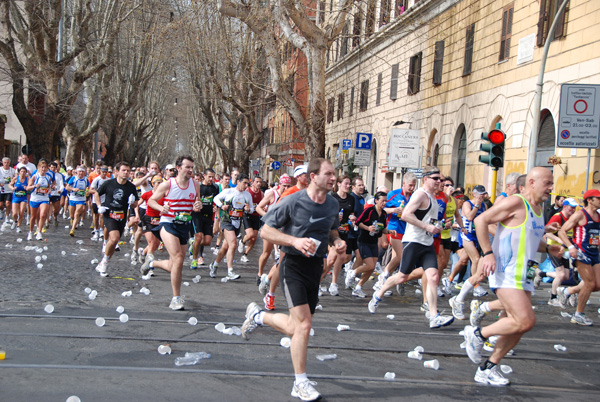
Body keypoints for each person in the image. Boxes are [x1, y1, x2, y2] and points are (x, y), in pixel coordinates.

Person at [241, 158, 344, 402]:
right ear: (313, 176)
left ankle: (258, 316)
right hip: (293, 266)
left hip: (315, 267)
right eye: (328, 174)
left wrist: (337, 242)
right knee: (304, 326)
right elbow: (266, 230)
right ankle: (300, 382)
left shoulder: (331, 204)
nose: (333, 178)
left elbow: (332, 230)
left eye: (335, 174)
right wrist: (294, 241)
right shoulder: (293, 201)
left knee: (298, 327)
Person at [463, 167, 559, 385]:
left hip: (525, 273)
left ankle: (488, 368)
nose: (551, 188)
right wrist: (487, 253)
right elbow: (481, 221)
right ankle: (478, 334)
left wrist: (549, 248)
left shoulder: (538, 208)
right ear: (532, 182)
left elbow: (529, 240)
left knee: (518, 325)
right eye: (548, 183)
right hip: (506, 271)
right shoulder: (516, 202)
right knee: (526, 320)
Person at [368, 166, 455, 329]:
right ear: (426, 179)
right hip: (413, 241)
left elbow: (430, 222)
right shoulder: (420, 195)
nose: (439, 182)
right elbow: (406, 214)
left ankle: (434, 315)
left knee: (433, 277)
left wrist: (442, 225)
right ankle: (378, 294)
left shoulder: (435, 198)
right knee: (402, 277)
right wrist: (427, 227)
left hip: (427, 243)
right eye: (436, 179)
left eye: (441, 180)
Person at [146, 156, 201, 310]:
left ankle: (152, 263)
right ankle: (176, 299)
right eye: (187, 167)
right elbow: (151, 201)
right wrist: (161, 208)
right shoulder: (167, 184)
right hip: (168, 223)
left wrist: (198, 205)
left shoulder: (195, 184)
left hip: (184, 225)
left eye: (192, 167)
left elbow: (197, 203)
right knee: (177, 258)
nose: (190, 170)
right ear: (178, 168)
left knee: (175, 264)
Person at [557, 189, 600, 325]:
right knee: (589, 283)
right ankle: (578, 315)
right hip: (582, 253)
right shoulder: (580, 215)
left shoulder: (598, 216)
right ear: (590, 200)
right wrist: (571, 247)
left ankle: (567, 291)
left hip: (594, 253)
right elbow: (562, 231)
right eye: (598, 198)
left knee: (597, 285)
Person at [344, 191, 395, 297]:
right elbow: (358, 221)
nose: (384, 203)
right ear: (376, 200)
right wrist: (368, 228)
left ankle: (358, 287)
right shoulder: (369, 211)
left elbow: (382, 228)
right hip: (363, 240)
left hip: (374, 241)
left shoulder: (384, 214)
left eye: (386, 201)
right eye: (382, 201)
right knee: (370, 265)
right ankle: (352, 272)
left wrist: (389, 231)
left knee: (371, 268)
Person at [93, 162, 140, 277]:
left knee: (114, 241)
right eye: (123, 170)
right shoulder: (109, 184)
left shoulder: (131, 187)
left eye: (128, 171)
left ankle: (104, 260)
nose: (126, 173)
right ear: (117, 171)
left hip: (122, 216)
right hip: (109, 214)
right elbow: (96, 194)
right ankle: (104, 262)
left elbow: (136, 204)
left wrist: (133, 202)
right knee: (114, 238)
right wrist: (99, 206)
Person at [373, 173, 417, 295]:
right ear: (404, 183)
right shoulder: (394, 194)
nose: (412, 188)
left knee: (396, 258)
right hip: (393, 228)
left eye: (414, 186)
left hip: (407, 230)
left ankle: (384, 283)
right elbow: (379, 209)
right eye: (410, 185)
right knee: (402, 255)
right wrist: (393, 210)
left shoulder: (414, 197)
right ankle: (385, 277)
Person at [210, 174, 254, 280]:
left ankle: (214, 265)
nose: (246, 185)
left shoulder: (247, 195)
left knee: (225, 247)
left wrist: (248, 209)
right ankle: (230, 271)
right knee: (233, 244)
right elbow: (215, 199)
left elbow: (252, 209)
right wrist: (221, 206)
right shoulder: (229, 191)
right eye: (244, 183)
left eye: (247, 184)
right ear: (238, 182)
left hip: (237, 222)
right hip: (226, 221)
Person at [539, 198, 578, 305]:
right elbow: (548, 233)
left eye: (575, 208)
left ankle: (541, 274)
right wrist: (560, 240)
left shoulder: (572, 218)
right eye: (571, 208)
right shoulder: (558, 217)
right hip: (554, 248)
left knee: (565, 276)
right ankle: (553, 298)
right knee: (561, 274)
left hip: (565, 250)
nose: (573, 210)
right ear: (565, 207)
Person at [255, 174, 292, 286]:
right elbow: (258, 207)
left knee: (283, 256)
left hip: (283, 229)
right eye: (284, 186)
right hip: (271, 228)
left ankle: (274, 277)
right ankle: (260, 274)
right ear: (279, 184)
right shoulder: (272, 194)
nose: (286, 188)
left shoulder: (291, 195)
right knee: (266, 253)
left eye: (288, 186)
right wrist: (268, 217)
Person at [327, 175, 355, 296]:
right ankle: (320, 281)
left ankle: (333, 283)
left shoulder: (351, 199)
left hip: (345, 230)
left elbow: (352, 212)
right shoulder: (332, 198)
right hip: (333, 231)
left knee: (342, 257)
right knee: (333, 258)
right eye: (346, 183)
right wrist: (334, 217)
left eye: (349, 184)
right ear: (338, 184)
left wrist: (352, 218)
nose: (348, 186)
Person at [26, 159, 54, 241]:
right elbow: (28, 188)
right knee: (33, 217)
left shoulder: (48, 177)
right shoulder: (35, 176)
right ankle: (30, 232)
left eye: (45, 167)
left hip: (44, 198)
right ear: (39, 167)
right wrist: (34, 186)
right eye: (42, 167)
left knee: (42, 215)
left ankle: (39, 232)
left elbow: (48, 186)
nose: (43, 169)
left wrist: (49, 189)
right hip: (35, 198)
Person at [239, 176, 264, 262]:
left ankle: (245, 254)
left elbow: (263, 204)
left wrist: (264, 208)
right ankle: (242, 242)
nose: (259, 184)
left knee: (254, 238)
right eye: (257, 182)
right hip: (247, 215)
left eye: (260, 182)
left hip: (256, 216)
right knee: (250, 235)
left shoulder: (261, 193)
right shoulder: (247, 191)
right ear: (253, 182)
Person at [66, 167, 90, 237]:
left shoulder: (86, 179)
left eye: (82, 172)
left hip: (81, 199)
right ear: (77, 172)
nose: (81, 173)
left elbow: (88, 187)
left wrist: (87, 192)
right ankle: (72, 220)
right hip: (73, 198)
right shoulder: (73, 178)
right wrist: (73, 189)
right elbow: (67, 187)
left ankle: (72, 230)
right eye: (79, 172)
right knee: (72, 215)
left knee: (77, 213)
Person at [89, 166, 110, 241]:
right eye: (103, 172)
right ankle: (96, 230)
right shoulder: (96, 180)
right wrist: (97, 192)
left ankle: (101, 229)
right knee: (96, 216)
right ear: (100, 171)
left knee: (102, 216)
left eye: (105, 172)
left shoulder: (108, 180)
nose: (104, 173)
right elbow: (90, 190)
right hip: (96, 200)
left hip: (104, 200)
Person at [7, 166, 28, 232]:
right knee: (14, 213)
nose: (23, 173)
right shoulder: (16, 178)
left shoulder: (27, 179)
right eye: (21, 171)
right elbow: (10, 185)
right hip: (16, 197)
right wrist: (12, 188)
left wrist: (27, 187)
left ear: (26, 173)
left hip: (23, 197)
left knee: (21, 212)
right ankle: (15, 221)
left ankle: (18, 226)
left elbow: (31, 186)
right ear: (19, 172)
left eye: (24, 172)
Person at [0, 157, 16, 223]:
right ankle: (1, 211)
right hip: (1, 189)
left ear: (9, 163)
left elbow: (16, 178)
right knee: (1, 205)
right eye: (5, 162)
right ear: (2, 163)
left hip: (9, 189)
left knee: (8, 203)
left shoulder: (12, 170)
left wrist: (13, 181)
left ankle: (7, 217)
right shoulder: (0, 169)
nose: (6, 164)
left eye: (7, 162)